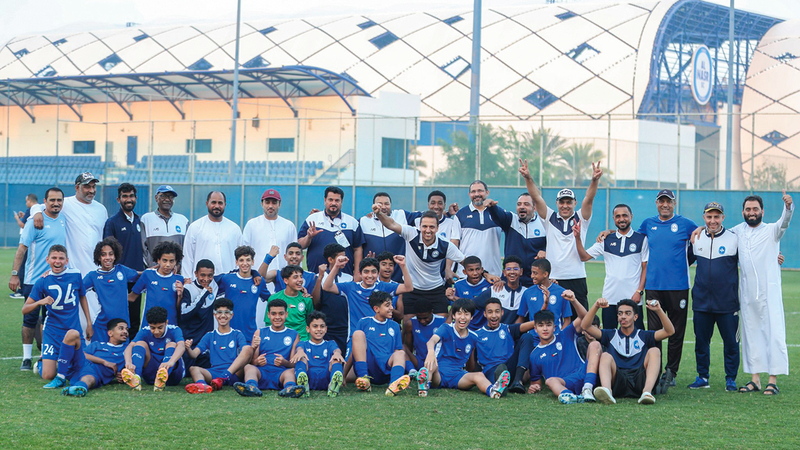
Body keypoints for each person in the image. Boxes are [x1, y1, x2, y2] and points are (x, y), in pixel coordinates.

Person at [624, 189, 698, 388]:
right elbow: (631, 238)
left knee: (675, 331)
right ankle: (654, 370)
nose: (665, 205)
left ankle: (671, 371)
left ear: (674, 203)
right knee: (654, 331)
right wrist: (608, 233)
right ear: (656, 203)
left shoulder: (686, 224)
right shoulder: (648, 224)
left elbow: (701, 237)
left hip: (679, 287)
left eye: (669, 201)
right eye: (661, 201)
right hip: (654, 287)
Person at [520, 159, 602, 316]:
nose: (565, 205)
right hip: (554, 278)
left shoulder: (581, 218)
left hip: (577, 277)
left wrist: (594, 180)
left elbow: (589, 199)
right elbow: (536, 197)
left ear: (575, 203)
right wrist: (528, 177)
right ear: (557, 203)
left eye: (569, 202)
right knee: (555, 318)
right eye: (562, 202)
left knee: (580, 320)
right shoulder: (549, 218)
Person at [31, 172, 109, 336]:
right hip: (72, 271)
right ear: (77, 187)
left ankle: (91, 353)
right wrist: (36, 212)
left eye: (93, 186)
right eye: (87, 186)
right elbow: (39, 205)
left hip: (95, 271)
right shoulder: (65, 203)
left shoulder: (101, 209)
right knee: (71, 317)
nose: (91, 190)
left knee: (95, 315)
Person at [731, 192, 793, 395]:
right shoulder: (737, 231)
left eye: (755, 209)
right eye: (748, 209)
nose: (751, 213)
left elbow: (784, 222)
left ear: (762, 211)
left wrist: (788, 206)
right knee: (751, 334)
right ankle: (754, 379)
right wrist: (700, 230)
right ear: (743, 211)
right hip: (747, 295)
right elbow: (718, 233)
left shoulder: (772, 231)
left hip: (769, 293)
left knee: (774, 334)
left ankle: (772, 380)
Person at [372, 208, 464, 320]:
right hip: (412, 288)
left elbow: (465, 261)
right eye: (424, 226)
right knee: (408, 325)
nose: (428, 230)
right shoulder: (412, 233)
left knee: (441, 324)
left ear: (438, 228)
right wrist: (379, 213)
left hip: (435, 289)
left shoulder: (445, 245)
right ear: (419, 226)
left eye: (432, 227)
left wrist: (484, 274)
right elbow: (391, 224)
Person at [9, 187, 66, 371]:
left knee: (50, 320)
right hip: (34, 280)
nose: (56, 203)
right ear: (44, 202)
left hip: (56, 280)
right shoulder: (35, 221)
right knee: (30, 319)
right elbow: (21, 249)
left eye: (59, 200)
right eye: (52, 200)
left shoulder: (64, 218)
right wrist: (15, 275)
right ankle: (26, 358)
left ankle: (45, 353)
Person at [686, 202, 740, 392]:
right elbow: (683, 260)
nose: (713, 220)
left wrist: (776, 256)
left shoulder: (734, 238)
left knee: (731, 343)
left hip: (727, 303)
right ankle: (702, 377)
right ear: (704, 218)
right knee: (701, 342)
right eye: (709, 217)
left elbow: (753, 258)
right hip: (701, 302)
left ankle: (731, 379)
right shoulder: (696, 238)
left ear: (723, 218)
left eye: (717, 217)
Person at [584, 298, 675, 405]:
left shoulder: (644, 335)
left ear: (635, 317)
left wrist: (659, 310)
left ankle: (647, 392)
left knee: (655, 351)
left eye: (628, 313)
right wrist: (596, 306)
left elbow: (669, 331)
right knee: (605, 356)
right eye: (620, 313)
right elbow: (585, 326)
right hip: (617, 380)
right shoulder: (610, 334)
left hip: (639, 379)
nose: (623, 316)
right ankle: (607, 391)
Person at [21, 245, 92, 381]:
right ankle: (42, 361)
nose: (57, 261)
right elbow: (25, 309)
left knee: (82, 369)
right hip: (52, 331)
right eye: (54, 258)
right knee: (48, 375)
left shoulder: (76, 274)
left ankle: (62, 359)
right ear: (47, 260)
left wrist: (89, 323)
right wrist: (40, 302)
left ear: (67, 260)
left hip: (73, 329)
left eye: (61, 258)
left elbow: (82, 296)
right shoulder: (42, 280)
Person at [417, 298, 510, 399]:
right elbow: (431, 341)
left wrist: (471, 372)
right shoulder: (446, 328)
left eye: (466, 314)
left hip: (457, 376)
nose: (463, 318)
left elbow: (470, 362)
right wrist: (431, 352)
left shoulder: (473, 337)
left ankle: (493, 390)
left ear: (471, 317)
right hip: (439, 374)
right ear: (453, 315)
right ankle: (424, 386)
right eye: (459, 314)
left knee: (478, 375)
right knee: (431, 365)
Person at [573, 204, 647, 329]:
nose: (621, 219)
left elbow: (645, 267)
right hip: (610, 298)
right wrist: (577, 238)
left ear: (631, 217)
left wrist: (639, 291)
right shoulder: (606, 240)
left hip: (633, 297)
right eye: (618, 216)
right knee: (609, 336)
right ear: (613, 218)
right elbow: (584, 257)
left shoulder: (641, 239)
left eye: (625, 215)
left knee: (637, 337)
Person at [323, 255, 412, 337]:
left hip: (380, 336)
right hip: (356, 337)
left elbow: (408, 288)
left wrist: (403, 266)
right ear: (360, 274)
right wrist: (336, 266)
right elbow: (327, 287)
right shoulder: (350, 287)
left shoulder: (384, 286)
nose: (370, 275)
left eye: (373, 272)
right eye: (366, 272)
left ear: (378, 274)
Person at [233, 299, 306, 398]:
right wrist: (257, 361)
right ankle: (251, 386)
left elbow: (293, 363)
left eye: (281, 314)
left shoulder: (294, 334)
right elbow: (252, 361)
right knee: (249, 367)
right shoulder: (260, 332)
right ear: (268, 315)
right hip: (262, 372)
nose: (277, 317)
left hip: (281, 373)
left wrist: (284, 362)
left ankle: (290, 388)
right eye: (273, 314)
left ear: (286, 314)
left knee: (291, 372)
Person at [527, 308, 601, 404]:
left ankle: (587, 388)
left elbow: (584, 317)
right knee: (550, 381)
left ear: (554, 327)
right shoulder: (534, 355)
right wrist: (534, 387)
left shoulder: (565, 334)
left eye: (548, 325)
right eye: (541, 325)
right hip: (565, 382)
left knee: (595, 345)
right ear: (535, 329)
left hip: (584, 373)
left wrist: (573, 300)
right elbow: (536, 382)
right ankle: (569, 396)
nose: (545, 329)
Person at [183, 298, 254, 394]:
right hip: (215, 374)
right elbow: (194, 354)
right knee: (193, 369)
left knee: (248, 349)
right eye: (219, 312)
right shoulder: (210, 335)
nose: (223, 315)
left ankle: (224, 377)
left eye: (227, 312)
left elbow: (246, 353)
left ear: (231, 315)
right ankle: (202, 386)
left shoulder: (237, 334)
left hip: (233, 372)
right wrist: (187, 348)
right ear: (215, 315)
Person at [349, 291, 411, 396]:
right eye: (387, 305)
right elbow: (355, 350)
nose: (391, 308)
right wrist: (344, 374)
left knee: (400, 353)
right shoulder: (364, 322)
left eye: (391, 304)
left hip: (385, 370)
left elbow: (397, 352)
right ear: (376, 309)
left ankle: (394, 383)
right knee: (358, 334)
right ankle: (364, 379)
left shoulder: (395, 326)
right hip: (369, 366)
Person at [103, 183, 146, 331]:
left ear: (136, 198)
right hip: (119, 279)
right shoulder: (112, 222)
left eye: (131, 196)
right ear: (118, 199)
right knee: (118, 320)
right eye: (125, 196)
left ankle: (132, 352)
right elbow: (108, 252)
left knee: (135, 320)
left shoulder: (140, 221)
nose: (129, 199)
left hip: (137, 278)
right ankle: (116, 351)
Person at [298, 186, 365, 278]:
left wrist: (357, 274)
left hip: (344, 277)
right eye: (330, 200)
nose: (333, 203)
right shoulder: (313, 219)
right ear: (325, 200)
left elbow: (358, 249)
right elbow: (300, 245)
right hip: (316, 275)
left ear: (341, 202)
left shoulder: (352, 223)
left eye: (337, 200)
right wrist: (309, 237)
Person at [83, 238, 141, 343]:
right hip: (102, 327)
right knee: (99, 358)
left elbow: (141, 275)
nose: (107, 258)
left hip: (122, 326)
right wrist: (88, 323)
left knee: (122, 358)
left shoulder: (122, 270)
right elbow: (78, 290)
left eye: (110, 254)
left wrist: (158, 269)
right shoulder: (93, 276)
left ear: (115, 256)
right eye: (103, 254)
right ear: (99, 257)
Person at [475, 298, 538, 394]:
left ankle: (517, 381)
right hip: (491, 370)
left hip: (509, 366)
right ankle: (501, 385)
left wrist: (544, 310)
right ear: (485, 314)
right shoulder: (477, 335)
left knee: (527, 337)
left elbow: (533, 324)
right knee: (498, 375)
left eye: (497, 311)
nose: (494, 315)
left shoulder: (507, 328)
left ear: (502, 313)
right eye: (490, 312)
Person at [485, 193, 547, 287]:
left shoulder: (544, 224)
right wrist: (492, 208)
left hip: (535, 280)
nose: (522, 207)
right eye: (519, 204)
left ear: (534, 208)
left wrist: (546, 251)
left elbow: (555, 246)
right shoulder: (511, 220)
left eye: (526, 204)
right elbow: (499, 215)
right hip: (512, 278)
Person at [58, 319, 130, 397]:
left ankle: (79, 388)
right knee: (72, 333)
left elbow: (128, 367)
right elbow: (83, 355)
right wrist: (104, 362)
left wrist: (123, 375)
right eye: (121, 328)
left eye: (126, 329)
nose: (125, 332)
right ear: (110, 333)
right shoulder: (97, 344)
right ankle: (59, 375)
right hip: (78, 365)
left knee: (89, 379)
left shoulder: (127, 350)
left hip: (94, 373)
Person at [121, 306, 185, 391]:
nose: (156, 331)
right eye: (152, 328)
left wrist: (170, 362)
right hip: (151, 375)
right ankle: (136, 378)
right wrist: (128, 362)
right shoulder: (144, 331)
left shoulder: (174, 330)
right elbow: (129, 347)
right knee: (140, 343)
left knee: (172, 344)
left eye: (160, 327)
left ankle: (163, 377)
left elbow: (181, 346)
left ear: (166, 322)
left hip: (172, 375)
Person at [215, 245, 270, 343]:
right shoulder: (227, 279)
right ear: (236, 262)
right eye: (241, 260)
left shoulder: (259, 282)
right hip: (229, 333)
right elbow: (208, 282)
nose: (245, 263)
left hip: (250, 334)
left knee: (249, 357)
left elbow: (271, 299)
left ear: (253, 262)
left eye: (248, 260)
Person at [182, 191, 243, 277]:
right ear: (207, 203)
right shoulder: (195, 227)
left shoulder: (234, 229)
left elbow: (241, 257)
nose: (217, 206)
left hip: (229, 281)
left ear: (225, 205)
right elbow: (188, 257)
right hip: (202, 282)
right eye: (213, 202)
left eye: (220, 203)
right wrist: (187, 280)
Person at [406, 190, 461, 282]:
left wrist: (448, 269)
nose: (436, 206)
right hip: (419, 276)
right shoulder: (417, 221)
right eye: (433, 203)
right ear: (428, 205)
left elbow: (453, 246)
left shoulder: (452, 223)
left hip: (444, 275)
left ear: (444, 205)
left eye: (440, 203)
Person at [453, 181, 503, 277]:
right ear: (469, 194)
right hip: (466, 275)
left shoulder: (498, 213)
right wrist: (449, 268)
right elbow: (454, 244)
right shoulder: (460, 215)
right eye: (473, 191)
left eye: (480, 191)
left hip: (494, 275)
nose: (476, 194)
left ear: (487, 192)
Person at [129, 241, 184, 327]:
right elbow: (132, 297)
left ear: (176, 261)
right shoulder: (148, 274)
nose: (168, 265)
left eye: (171, 261)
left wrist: (180, 296)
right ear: (158, 260)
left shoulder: (179, 280)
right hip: (149, 326)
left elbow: (179, 308)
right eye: (164, 260)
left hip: (170, 326)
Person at [292, 311, 347, 397]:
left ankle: (333, 385)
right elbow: (299, 348)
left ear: (326, 329)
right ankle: (303, 385)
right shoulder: (303, 343)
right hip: (309, 376)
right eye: (315, 326)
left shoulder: (330, 343)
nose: (319, 329)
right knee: (301, 358)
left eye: (322, 326)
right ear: (308, 329)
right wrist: (300, 352)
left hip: (326, 377)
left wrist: (337, 353)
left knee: (336, 359)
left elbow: (336, 350)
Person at [243, 188, 297, 274]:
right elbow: (244, 253)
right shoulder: (252, 225)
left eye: (274, 203)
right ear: (262, 203)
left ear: (279, 204)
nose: (270, 206)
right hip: (257, 277)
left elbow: (295, 253)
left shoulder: (289, 226)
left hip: (284, 278)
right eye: (267, 202)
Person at [360, 192, 409, 282]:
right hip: (373, 279)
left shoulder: (402, 215)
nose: (383, 207)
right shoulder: (363, 221)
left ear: (391, 205)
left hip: (399, 275)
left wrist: (444, 213)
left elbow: (426, 217)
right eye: (379, 204)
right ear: (373, 206)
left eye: (386, 204)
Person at [180, 259, 218, 369]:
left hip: (205, 344)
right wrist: (204, 293)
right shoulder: (188, 288)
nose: (206, 279)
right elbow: (184, 314)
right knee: (186, 372)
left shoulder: (215, 285)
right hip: (189, 342)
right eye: (202, 275)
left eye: (210, 276)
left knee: (209, 370)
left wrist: (254, 274)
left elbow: (234, 273)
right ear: (196, 274)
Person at [516, 259, 572, 334]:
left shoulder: (561, 292)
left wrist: (560, 336)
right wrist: (513, 333)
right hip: (534, 338)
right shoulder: (528, 293)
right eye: (532, 273)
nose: (532, 276)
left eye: (535, 273)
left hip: (554, 337)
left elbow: (567, 319)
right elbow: (521, 318)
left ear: (545, 274)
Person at [316, 243, 352, 353]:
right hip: (327, 328)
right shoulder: (319, 278)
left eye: (345, 257)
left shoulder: (349, 278)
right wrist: (319, 278)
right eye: (340, 258)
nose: (344, 260)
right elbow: (316, 302)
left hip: (345, 327)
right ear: (331, 259)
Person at [472, 256, 528, 327]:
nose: (512, 272)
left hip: (517, 335)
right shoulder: (494, 290)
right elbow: (472, 305)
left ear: (521, 272)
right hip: (495, 335)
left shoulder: (527, 293)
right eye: (508, 269)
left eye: (515, 269)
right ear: (504, 272)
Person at [140, 185, 188, 267]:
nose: (167, 199)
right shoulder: (146, 219)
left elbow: (187, 249)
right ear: (156, 198)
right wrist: (156, 267)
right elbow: (143, 249)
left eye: (170, 197)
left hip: (177, 273)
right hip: (154, 272)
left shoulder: (183, 220)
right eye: (163, 196)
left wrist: (178, 266)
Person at [269, 265, 315, 341]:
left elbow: (311, 322)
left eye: (301, 276)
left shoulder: (307, 300)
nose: (300, 280)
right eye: (295, 277)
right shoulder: (274, 299)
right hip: (281, 340)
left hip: (302, 341)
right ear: (286, 281)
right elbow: (269, 323)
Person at [403, 301, 446, 370]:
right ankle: (412, 371)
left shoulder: (442, 322)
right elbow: (409, 346)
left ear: (431, 312)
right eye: (419, 318)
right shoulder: (411, 323)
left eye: (425, 318)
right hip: (419, 361)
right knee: (402, 348)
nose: (422, 321)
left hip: (437, 362)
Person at [452, 256, 492, 330]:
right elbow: (455, 309)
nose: (475, 273)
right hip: (464, 326)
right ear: (464, 272)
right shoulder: (458, 285)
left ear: (482, 270)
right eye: (471, 270)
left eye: (477, 269)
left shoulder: (489, 284)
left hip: (484, 327)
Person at [10, 193, 36, 299]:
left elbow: (23, 225)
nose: (26, 203)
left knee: (23, 266)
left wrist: (17, 218)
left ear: (30, 200)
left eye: (26, 201)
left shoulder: (32, 210)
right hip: (29, 242)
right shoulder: (33, 211)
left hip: (29, 243)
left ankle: (21, 290)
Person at [375, 251, 406, 321]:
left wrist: (386, 307)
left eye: (391, 265)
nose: (387, 267)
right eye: (384, 264)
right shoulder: (372, 283)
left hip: (389, 324)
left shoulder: (396, 287)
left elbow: (400, 315)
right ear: (377, 266)